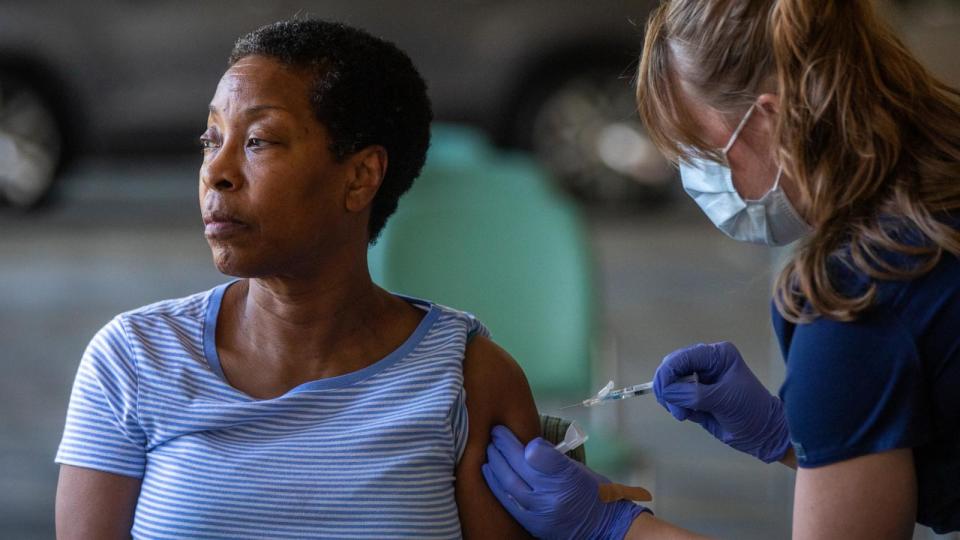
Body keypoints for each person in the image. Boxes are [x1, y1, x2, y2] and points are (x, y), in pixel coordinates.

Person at [482, 0, 960, 538]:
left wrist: (615, 527)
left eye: (702, 150)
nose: (696, 179)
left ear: (771, 117)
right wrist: (796, 436)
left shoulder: (857, 299)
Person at [54, 19, 542, 539]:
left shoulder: (466, 379)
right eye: (210, 138)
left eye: (259, 141)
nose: (216, 170)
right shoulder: (134, 359)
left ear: (360, 177)